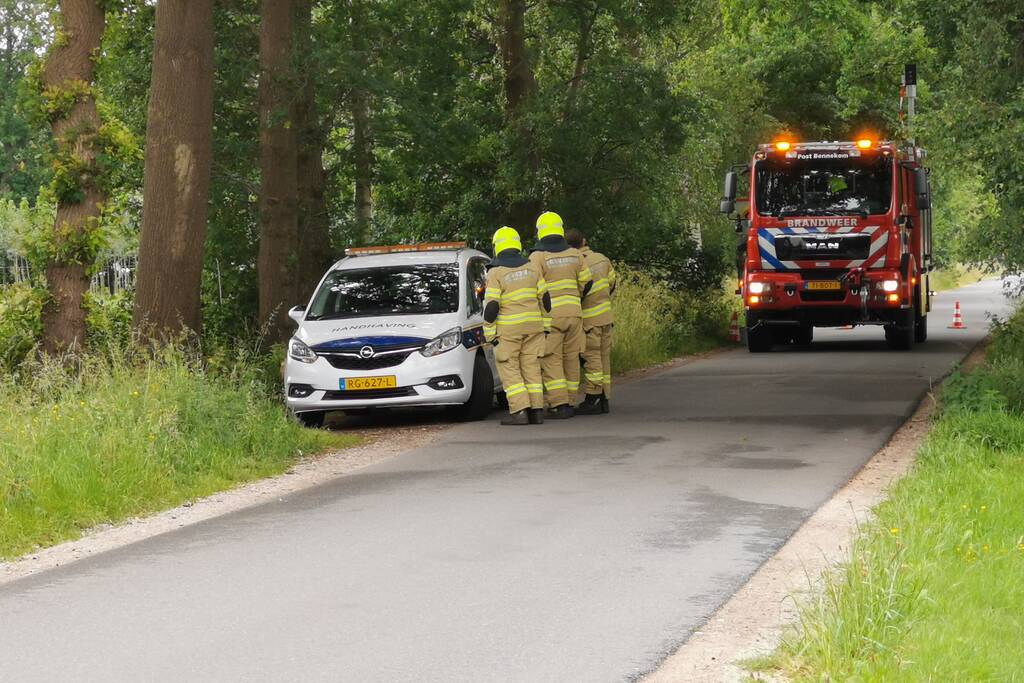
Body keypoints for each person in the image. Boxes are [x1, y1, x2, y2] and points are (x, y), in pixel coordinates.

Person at [483, 226, 551, 426]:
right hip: (534, 328)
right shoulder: (532, 268)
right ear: (517, 244)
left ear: (497, 247)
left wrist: (490, 334)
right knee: (531, 368)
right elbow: (545, 300)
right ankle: (537, 411)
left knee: (510, 368)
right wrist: (546, 326)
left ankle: (520, 411)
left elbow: (492, 307)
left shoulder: (495, 273)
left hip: (509, 331)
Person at [529, 211, 592, 419]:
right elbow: (587, 281)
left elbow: (533, 287)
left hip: (551, 317)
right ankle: (571, 401)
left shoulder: (537, 257)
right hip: (575, 314)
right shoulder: (575, 254)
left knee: (551, 359)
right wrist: (576, 298)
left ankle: (559, 404)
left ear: (540, 231)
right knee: (572, 358)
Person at [565, 228, 615, 414]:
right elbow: (612, 284)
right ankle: (605, 398)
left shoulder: (576, 264)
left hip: (589, 320)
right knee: (604, 358)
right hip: (606, 317)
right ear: (584, 241)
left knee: (591, 358)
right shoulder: (603, 259)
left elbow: (577, 290)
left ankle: (593, 398)